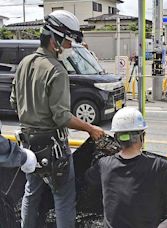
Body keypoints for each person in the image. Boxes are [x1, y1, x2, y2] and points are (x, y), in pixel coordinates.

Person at [10, 10, 105, 228]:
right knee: (63, 198)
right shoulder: (57, 70)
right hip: (54, 149)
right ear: (55, 40)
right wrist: (90, 128)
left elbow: (15, 102)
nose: (71, 48)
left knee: (31, 194)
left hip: (28, 146)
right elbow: (62, 117)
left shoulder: (24, 63)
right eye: (69, 42)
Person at [86, 107, 167, 228]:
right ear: (142, 136)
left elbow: (88, 177)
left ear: (116, 138)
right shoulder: (157, 166)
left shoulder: (104, 164)